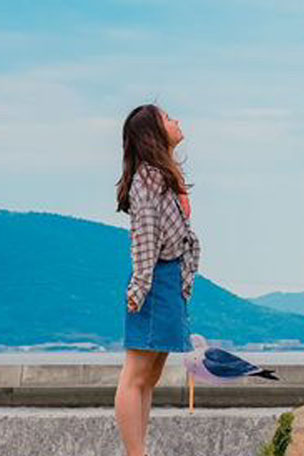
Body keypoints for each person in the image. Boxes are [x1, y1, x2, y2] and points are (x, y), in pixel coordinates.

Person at [114, 104, 200, 456]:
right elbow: (146, 238)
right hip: (155, 280)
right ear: (153, 132)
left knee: (150, 376)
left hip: (168, 280)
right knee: (136, 374)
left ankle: (140, 448)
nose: (176, 120)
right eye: (167, 117)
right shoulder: (147, 180)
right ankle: (136, 453)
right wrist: (140, 287)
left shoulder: (162, 175)